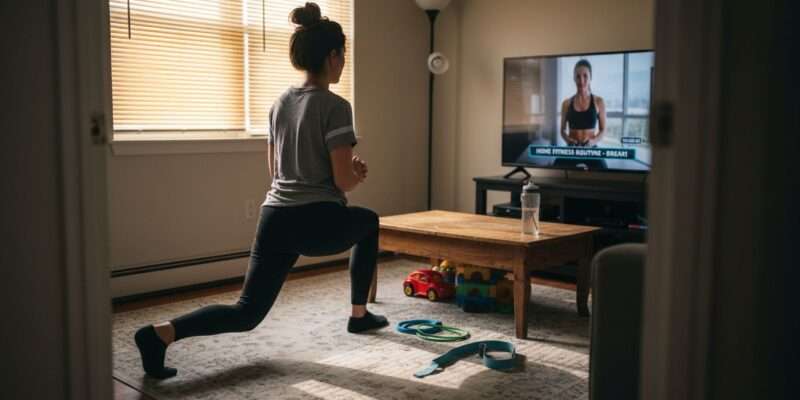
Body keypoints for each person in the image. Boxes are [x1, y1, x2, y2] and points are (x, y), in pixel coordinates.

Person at [133, 2, 388, 379]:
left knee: (246, 312)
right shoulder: (336, 106)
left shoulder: (279, 103)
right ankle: (359, 315)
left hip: (275, 218)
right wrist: (356, 171)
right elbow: (342, 182)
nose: (343, 62)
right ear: (333, 56)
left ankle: (160, 335)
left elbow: (276, 171)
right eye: (343, 55)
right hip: (318, 220)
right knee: (368, 222)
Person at [555, 59, 608, 169]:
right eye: (578, 76)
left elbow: (603, 130)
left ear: (590, 78)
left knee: (605, 172)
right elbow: (562, 130)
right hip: (571, 149)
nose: (581, 80)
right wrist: (568, 140)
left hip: (591, 149)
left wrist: (592, 142)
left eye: (585, 76)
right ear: (574, 78)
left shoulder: (599, 101)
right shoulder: (566, 103)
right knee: (555, 170)